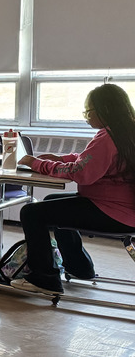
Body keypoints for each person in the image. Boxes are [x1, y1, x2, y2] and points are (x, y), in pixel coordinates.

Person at [13, 84, 135, 295]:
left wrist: (36, 163)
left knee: (31, 212)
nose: (86, 117)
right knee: (51, 201)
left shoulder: (108, 137)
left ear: (105, 109)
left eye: (88, 111)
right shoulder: (126, 132)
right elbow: (95, 161)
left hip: (113, 212)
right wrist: (61, 159)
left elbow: (81, 173)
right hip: (124, 209)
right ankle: (79, 268)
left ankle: (44, 279)